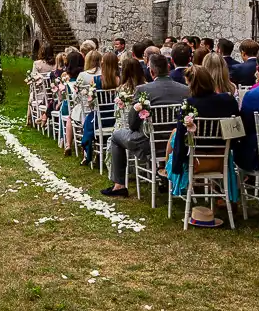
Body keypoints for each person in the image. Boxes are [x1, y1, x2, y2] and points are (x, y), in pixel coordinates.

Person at [102, 52, 189, 197]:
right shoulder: (185, 90)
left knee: (116, 137)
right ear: (168, 68)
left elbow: (132, 124)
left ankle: (119, 185)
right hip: (178, 143)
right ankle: (162, 173)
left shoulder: (143, 90)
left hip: (150, 143)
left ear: (152, 71)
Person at [165, 65, 241, 204]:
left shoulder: (189, 104)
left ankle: (170, 176)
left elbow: (182, 139)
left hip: (196, 159)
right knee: (176, 134)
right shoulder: (228, 100)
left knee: (176, 135)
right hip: (222, 157)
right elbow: (237, 129)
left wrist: (176, 165)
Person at [80, 52, 120, 165]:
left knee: (88, 121)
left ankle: (89, 153)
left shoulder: (96, 80)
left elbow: (91, 103)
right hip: (115, 117)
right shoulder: (120, 80)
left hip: (100, 118)